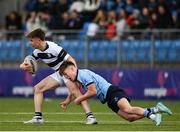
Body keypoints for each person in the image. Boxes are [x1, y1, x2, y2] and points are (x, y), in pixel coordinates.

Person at [20, 28, 97, 124]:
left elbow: (71, 59)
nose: (29, 43)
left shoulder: (53, 47)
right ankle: (38, 118)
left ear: (38, 40)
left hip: (67, 71)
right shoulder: (37, 52)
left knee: (76, 93)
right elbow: (26, 62)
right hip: (58, 73)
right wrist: (23, 66)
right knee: (37, 89)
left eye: (31, 40)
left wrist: (76, 75)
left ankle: (91, 117)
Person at [59, 61, 173, 126]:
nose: (66, 77)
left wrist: (80, 99)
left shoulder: (82, 75)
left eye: (66, 73)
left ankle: (152, 116)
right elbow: (74, 92)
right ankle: (156, 109)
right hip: (108, 99)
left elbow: (92, 91)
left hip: (112, 92)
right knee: (130, 118)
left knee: (128, 109)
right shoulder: (78, 78)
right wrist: (67, 101)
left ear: (72, 68)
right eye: (64, 76)